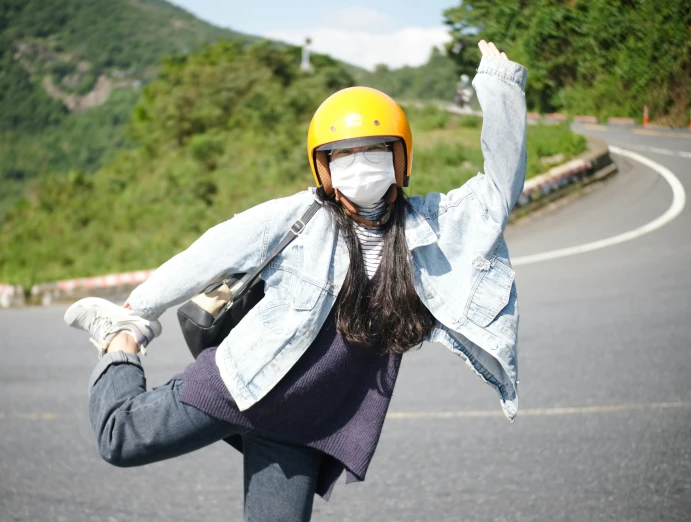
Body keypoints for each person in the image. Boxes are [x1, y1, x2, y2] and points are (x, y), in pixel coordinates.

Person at [64, 40, 526, 521]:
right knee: (119, 438)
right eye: (343, 155)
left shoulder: (429, 229)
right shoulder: (302, 218)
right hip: (244, 383)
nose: (361, 164)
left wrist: (501, 89)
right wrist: (136, 314)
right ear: (323, 166)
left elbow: (497, 193)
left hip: (307, 420)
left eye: (375, 150)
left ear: (402, 158)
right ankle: (115, 340)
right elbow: (210, 252)